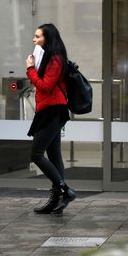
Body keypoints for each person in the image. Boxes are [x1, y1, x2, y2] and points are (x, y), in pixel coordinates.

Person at [24, 23, 77, 214]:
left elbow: (45, 86)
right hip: (47, 110)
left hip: (53, 110)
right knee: (54, 155)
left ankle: (65, 190)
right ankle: (57, 200)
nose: (34, 39)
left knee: (36, 154)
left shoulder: (55, 60)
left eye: (38, 36)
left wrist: (30, 69)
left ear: (48, 38)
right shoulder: (47, 57)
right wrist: (33, 69)